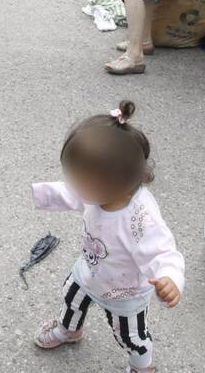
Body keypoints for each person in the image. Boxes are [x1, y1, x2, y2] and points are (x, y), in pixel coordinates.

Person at [31, 101, 184, 373]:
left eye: (79, 181)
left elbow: (163, 253)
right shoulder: (96, 191)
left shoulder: (140, 218)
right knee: (71, 298)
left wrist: (170, 278)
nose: (73, 186)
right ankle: (69, 329)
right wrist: (43, 194)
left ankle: (142, 365)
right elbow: (72, 194)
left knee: (130, 337)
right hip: (88, 272)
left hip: (124, 292)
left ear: (113, 183)